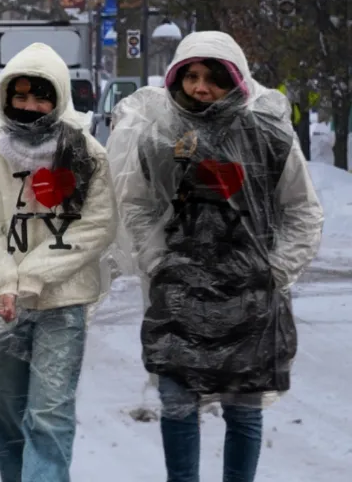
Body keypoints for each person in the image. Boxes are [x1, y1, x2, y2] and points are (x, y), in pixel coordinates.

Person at [109, 31, 323, 482]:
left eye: (213, 78)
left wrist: (277, 269)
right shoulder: (160, 138)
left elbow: (302, 209)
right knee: (178, 405)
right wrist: (155, 260)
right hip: (180, 296)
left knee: (243, 414)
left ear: (236, 82)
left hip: (250, 296)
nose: (200, 88)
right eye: (191, 76)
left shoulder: (269, 136)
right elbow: (137, 205)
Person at [0, 43, 116, 482]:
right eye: (20, 96)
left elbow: (95, 226)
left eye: (41, 96)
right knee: (5, 416)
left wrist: (31, 277)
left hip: (62, 304)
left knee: (49, 415)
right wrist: (4, 281)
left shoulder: (85, 153)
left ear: (60, 96)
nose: (30, 106)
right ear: (5, 96)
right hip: (2, 304)